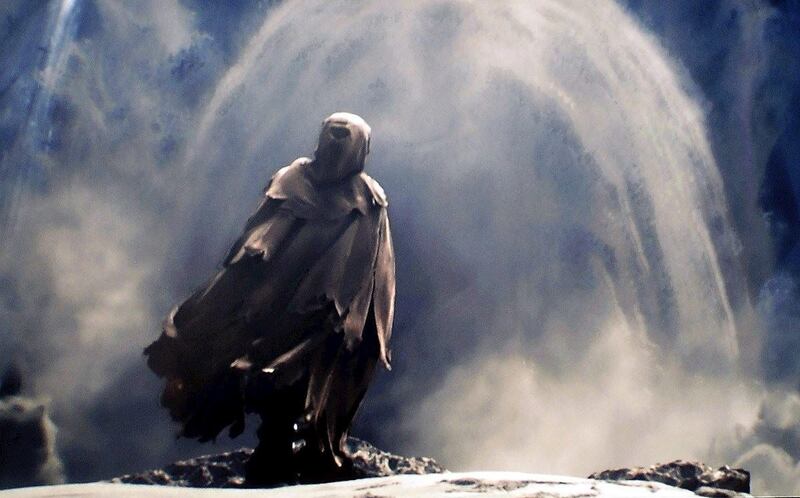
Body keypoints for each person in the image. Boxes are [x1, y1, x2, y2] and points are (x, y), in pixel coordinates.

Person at [145, 112, 395, 485]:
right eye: (332, 135)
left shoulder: (365, 200)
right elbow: (255, 242)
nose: (336, 144)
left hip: (325, 312)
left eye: (344, 137)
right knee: (266, 376)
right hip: (269, 305)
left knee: (307, 381)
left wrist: (349, 316)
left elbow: (371, 265)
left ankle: (301, 454)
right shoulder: (293, 181)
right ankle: (277, 455)